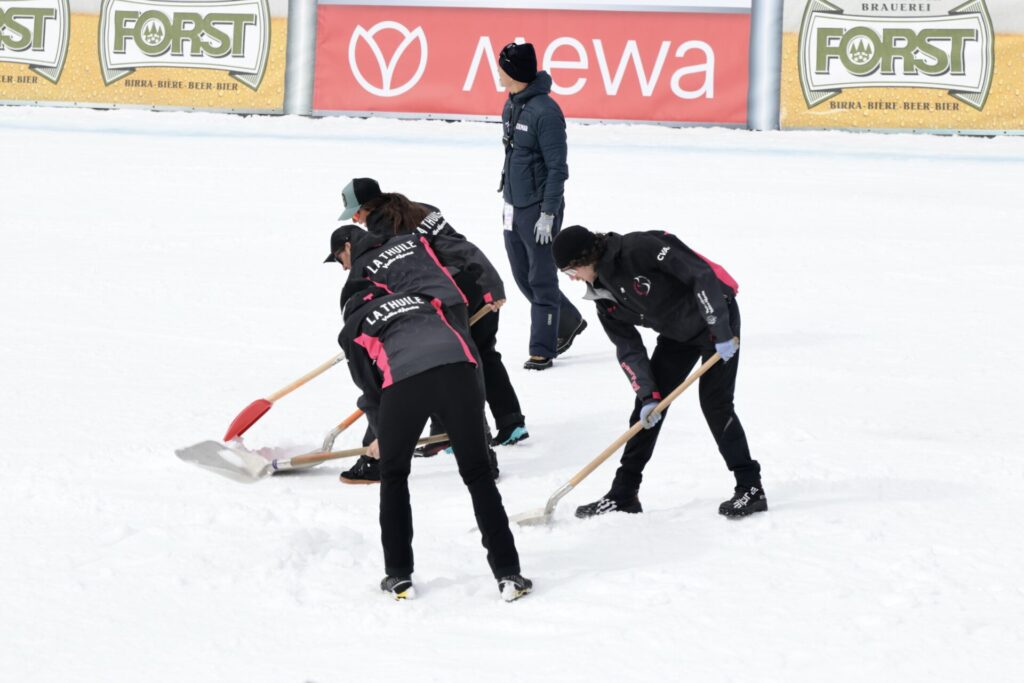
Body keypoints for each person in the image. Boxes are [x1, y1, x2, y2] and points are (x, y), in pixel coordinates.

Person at [551, 225, 766, 518]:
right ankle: (624, 493)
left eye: (570, 270)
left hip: (716, 321)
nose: (572, 278)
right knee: (648, 411)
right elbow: (628, 348)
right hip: (677, 334)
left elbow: (699, 274)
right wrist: (647, 393)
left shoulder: (638, 249)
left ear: (584, 258)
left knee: (715, 404)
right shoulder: (603, 297)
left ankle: (750, 487)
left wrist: (720, 328)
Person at [336, 279, 532, 601]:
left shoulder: (354, 325)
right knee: (479, 475)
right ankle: (509, 574)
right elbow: (466, 346)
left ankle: (398, 577)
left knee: (394, 475)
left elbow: (370, 388)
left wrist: (382, 434)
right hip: (462, 374)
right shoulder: (423, 301)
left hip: (406, 382)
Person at [338, 179, 529, 449]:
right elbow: (460, 247)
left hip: (451, 295)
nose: (357, 221)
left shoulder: (384, 229)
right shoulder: (419, 208)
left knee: (450, 362)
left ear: (367, 208)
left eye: (356, 214)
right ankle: (510, 423)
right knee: (483, 353)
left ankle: (459, 435)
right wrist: (491, 285)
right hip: (477, 281)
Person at [325, 222, 501, 483]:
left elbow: (358, 312)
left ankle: (379, 458)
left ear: (349, 245)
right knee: (463, 373)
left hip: (420, 315)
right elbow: (465, 249)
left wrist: (356, 337)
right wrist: (493, 286)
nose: (344, 267)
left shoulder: (361, 270)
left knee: (397, 379)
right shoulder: (410, 239)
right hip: (452, 303)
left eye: (340, 258)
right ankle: (482, 453)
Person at [496, 41, 587, 371]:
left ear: (515, 72)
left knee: (541, 278)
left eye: (503, 67)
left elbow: (557, 168)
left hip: (538, 208)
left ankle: (543, 348)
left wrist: (548, 213)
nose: (498, 73)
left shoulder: (546, 112)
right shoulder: (511, 105)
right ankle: (569, 320)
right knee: (522, 276)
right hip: (512, 205)